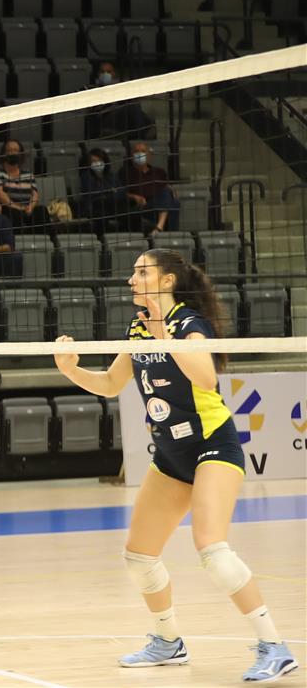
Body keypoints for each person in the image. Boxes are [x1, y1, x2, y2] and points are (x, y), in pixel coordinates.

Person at [53, 250, 298, 682]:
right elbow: (110, 383)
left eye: (141, 272)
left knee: (212, 550)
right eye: (133, 272)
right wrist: (70, 370)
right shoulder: (137, 328)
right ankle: (168, 641)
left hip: (212, 445)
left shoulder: (188, 324)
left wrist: (166, 334)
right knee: (138, 556)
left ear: (167, 281)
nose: (131, 279)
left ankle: (274, 647)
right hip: (170, 453)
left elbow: (206, 378)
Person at [120, 142, 179, 236]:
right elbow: (119, 193)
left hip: (158, 203)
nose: (140, 154)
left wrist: (172, 191)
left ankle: (163, 229)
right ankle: (163, 230)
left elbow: (167, 187)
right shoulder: (124, 172)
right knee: (169, 199)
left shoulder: (159, 172)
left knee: (173, 201)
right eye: (136, 151)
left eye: (143, 151)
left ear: (149, 156)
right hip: (141, 206)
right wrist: (134, 196)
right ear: (131, 156)